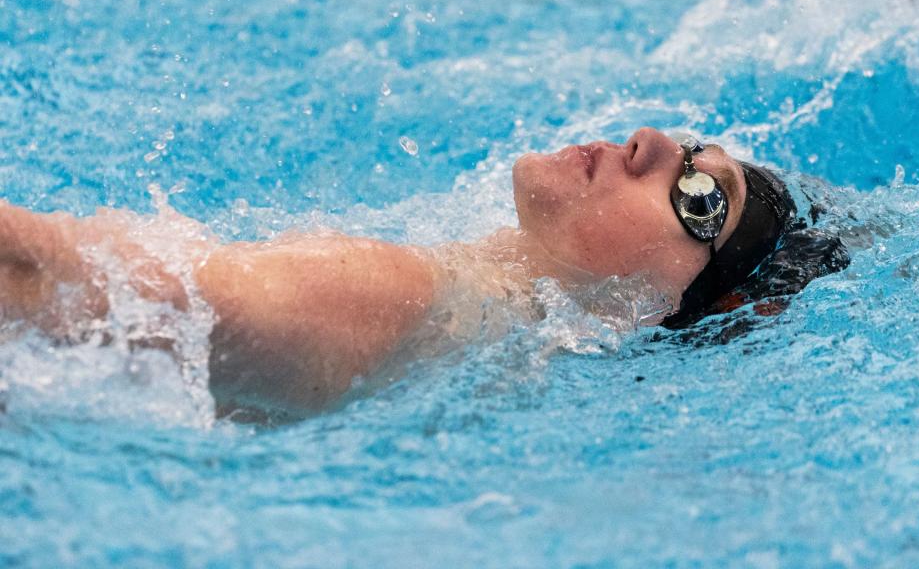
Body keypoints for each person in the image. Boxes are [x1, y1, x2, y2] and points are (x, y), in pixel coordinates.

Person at [0, 127, 847, 420]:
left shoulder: (382, 296)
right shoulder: (464, 339)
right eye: (691, 149)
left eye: (699, 196)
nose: (653, 145)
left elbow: (41, 278)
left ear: (659, 308)